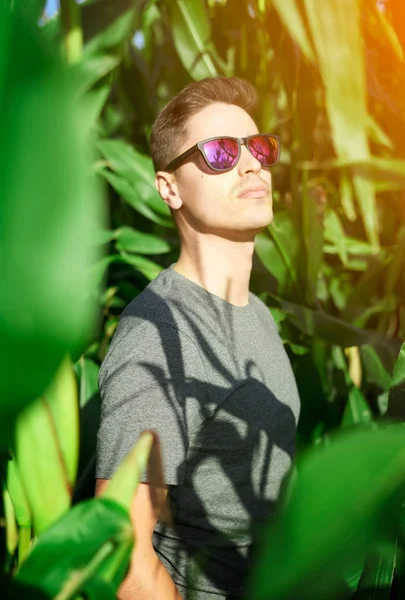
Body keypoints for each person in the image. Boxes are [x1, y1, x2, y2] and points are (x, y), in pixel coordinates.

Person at [95, 76, 300, 600]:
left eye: (258, 147)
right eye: (218, 152)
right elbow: (124, 558)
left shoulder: (254, 312)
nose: (251, 163)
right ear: (169, 189)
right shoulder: (158, 336)